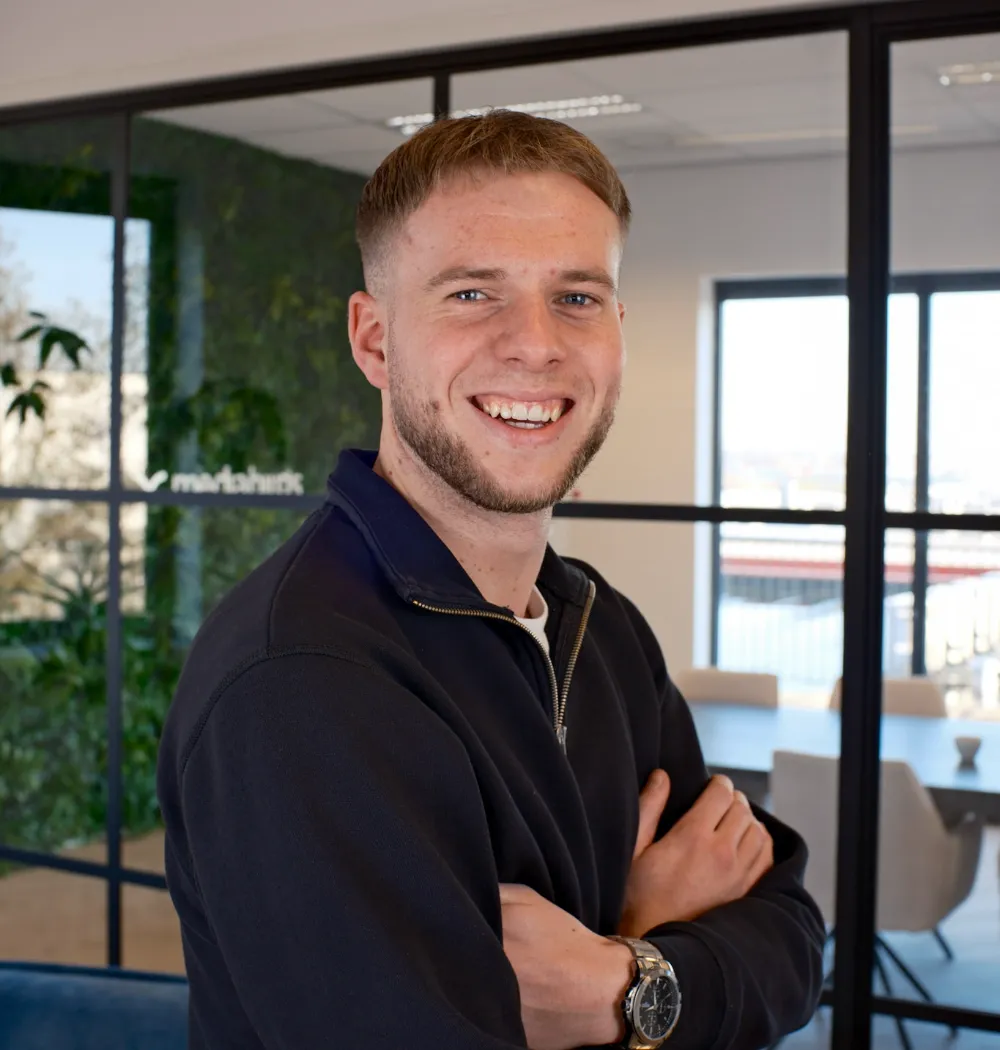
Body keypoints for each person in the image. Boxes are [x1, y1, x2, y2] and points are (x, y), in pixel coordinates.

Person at [157, 109, 825, 1050]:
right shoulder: (302, 681)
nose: (536, 344)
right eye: (473, 293)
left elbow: (793, 942)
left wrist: (619, 978)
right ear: (375, 340)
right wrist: (651, 946)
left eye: (577, 297)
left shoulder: (600, 625)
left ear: (618, 331)